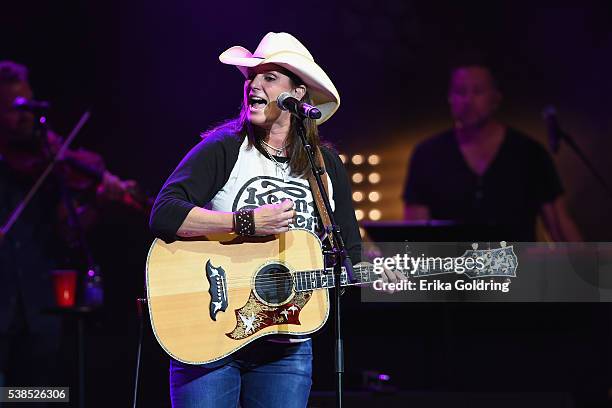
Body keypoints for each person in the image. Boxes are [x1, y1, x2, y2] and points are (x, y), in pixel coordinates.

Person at [149, 32, 403, 407]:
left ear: (298, 94)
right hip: (210, 334)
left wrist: (377, 271)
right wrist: (246, 223)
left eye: (269, 77)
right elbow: (164, 213)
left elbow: (348, 251)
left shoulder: (325, 166)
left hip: (287, 345)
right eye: (252, 77)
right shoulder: (225, 148)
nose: (253, 84)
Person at [0, 60, 140, 391]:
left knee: (38, 395)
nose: (26, 117)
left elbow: (69, 232)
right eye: (15, 108)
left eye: (30, 107)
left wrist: (98, 200)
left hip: (39, 307)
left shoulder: (49, 163)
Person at [402, 63, 582, 242]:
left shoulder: (529, 153)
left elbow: (559, 226)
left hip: (519, 268)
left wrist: (587, 267)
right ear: (450, 98)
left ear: (496, 98)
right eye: (460, 92)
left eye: (478, 91)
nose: (468, 100)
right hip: (451, 268)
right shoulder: (427, 155)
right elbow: (415, 234)